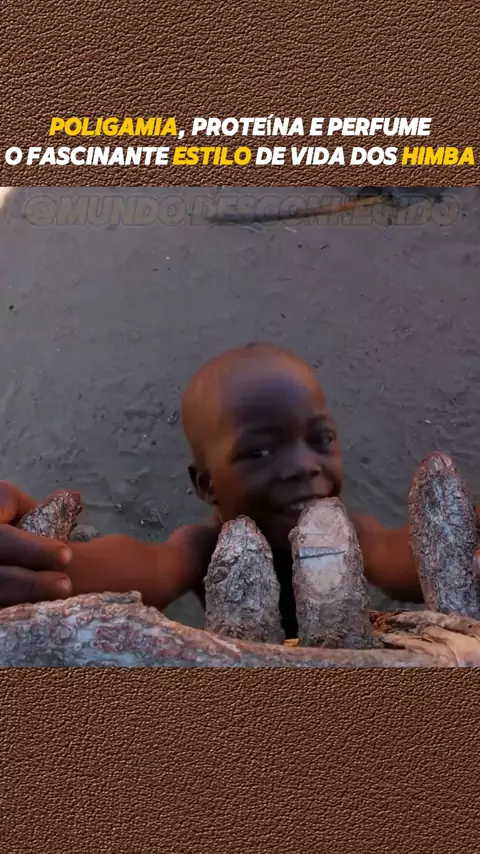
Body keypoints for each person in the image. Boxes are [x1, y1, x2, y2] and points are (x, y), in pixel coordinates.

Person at [0, 343, 478, 637]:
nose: (304, 466)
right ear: (207, 485)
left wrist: (471, 534)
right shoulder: (201, 548)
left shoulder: (351, 535)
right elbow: (137, 569)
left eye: (321, 439)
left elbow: (413, 556)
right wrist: (42, 558)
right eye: (260, 452)